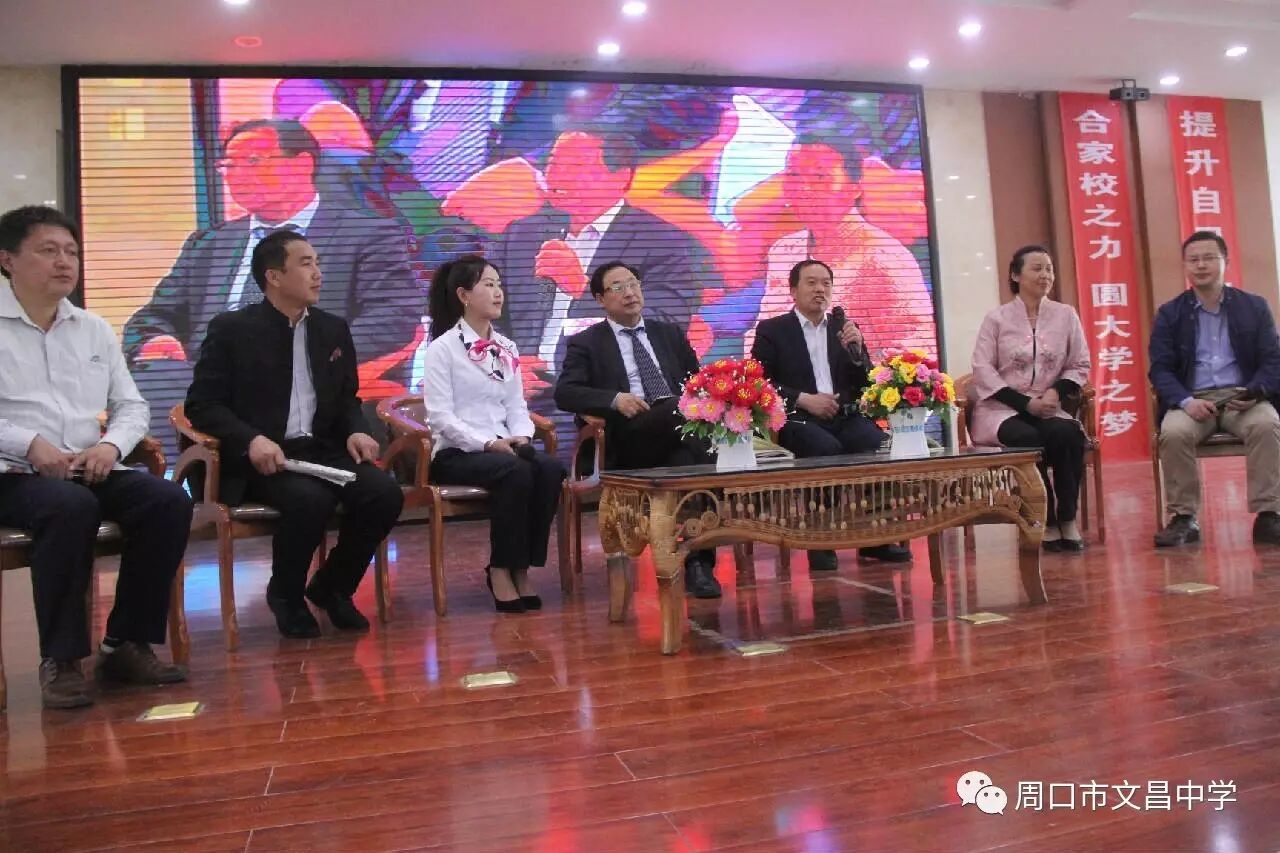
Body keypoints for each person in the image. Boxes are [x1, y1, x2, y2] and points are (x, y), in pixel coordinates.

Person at [124, 119, 421, 449]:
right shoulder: (210, 243)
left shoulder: (369, 235)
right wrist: (157, 339)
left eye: (252, 161)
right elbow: (152, 317)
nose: (236, 174)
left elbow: (394, 317)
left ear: (303, 164)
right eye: (228, 165)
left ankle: (187, 472)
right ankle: (167, 473)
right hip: (204, 374)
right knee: (152, 380)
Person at [0, 205, 192, 709]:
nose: (64, 262)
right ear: (8, 260)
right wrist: (29, 443)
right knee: (70, 506)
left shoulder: (93, 328)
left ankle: (126, 643)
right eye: (48, 251)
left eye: (71, 251)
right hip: (12, 473)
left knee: (167, 500)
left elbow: (132, 406)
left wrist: (110, 446)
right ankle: (61, 660)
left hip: (86, 465)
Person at [185, 229, 404, 638]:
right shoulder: (232, 329)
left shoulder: (332, 329)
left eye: (317, 263)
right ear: (274, 276)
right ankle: (285, 596)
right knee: (308, 499)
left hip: (320, 450)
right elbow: (202, 405)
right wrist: (250, 440)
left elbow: (346, 399)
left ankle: (332, 587)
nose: (318, 273)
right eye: (306, 264)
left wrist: (356, 430)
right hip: (263, 458)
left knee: (383, 493)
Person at [489, 130, 723, 398]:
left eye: (575, 166)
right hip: (520, 392)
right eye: (553, 163)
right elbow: (480, 310)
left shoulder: (662, 242)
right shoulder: (522, 233)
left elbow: (663, 328)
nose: (556, 175)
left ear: (620, 176)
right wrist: (503, 361)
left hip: (608, 397)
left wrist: (584, 288)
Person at [555, 260, 723, 599]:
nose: (629, 292)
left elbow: (697, 383)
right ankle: (728, 481)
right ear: (600, 299)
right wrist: (614, 399)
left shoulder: (669, 334)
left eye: (633, 283)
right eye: (618, 287)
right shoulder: (586, 343)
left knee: (687, 459)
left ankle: (698, 565)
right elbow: (565, 393)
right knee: (683, 416)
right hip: (629, 438)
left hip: (676, 437)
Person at [420, 256, 566, 612]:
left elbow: (516, 406)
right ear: (464, 295)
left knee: (550, 469)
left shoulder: (507, 347)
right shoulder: (442, 349)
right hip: (457, 453)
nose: (499, 292)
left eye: (499, 284)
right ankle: (500, 567)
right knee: (515, 472)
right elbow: (440, 417)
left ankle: (522, 566)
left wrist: (521, 437)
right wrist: (487, 443)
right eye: (488, 285)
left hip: (504, 447)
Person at [751, 259, 911, 570]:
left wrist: (858, 351)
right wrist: (803, 399)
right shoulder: (772, 330)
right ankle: (821, 538)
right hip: (799, 417)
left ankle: (875, 536)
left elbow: (865, 383)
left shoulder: (845, 328)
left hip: (844, 415)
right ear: (793, 290)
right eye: (811, 282)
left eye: (826, 283)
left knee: (877, 445)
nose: (820, 289)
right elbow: (761, 382)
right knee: (824, 449)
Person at [747, 134, 937, 359]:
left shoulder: (884, 256)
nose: (803, 188)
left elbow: (917, 347)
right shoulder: (783, 250)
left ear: (855, 187)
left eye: (820, 176)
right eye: (793, 175)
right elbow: (763, 333)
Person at [1149, 230, 1280, 548]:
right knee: (1174, 432)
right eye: (1193, 259)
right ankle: (1183, 518)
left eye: (1209, 258)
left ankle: (1269, 515)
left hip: (1243, 397)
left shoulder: (1254, 307)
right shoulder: (1170, 313)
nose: (1201, 265)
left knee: (1267, 424)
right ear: (1185, 266)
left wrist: (1254, 392)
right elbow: (1160, 368)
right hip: (1193, 400)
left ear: (1226, 262)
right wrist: (1185, 401)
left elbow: (1273, 359)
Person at [970, 246, 1091, 552]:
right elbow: (982, 368)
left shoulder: (1066, 315)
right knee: (1026, 438)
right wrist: (1024, 404)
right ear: (1015, 275)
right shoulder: (996, 318)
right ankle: (1044, 518)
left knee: (1067, 434)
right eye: (1037, 268)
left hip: (1048, 406)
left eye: (1049, 269)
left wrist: (1054, 393)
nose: (1045, 275)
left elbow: (1079, 364)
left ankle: (1068, 518)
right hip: (1001, 409)